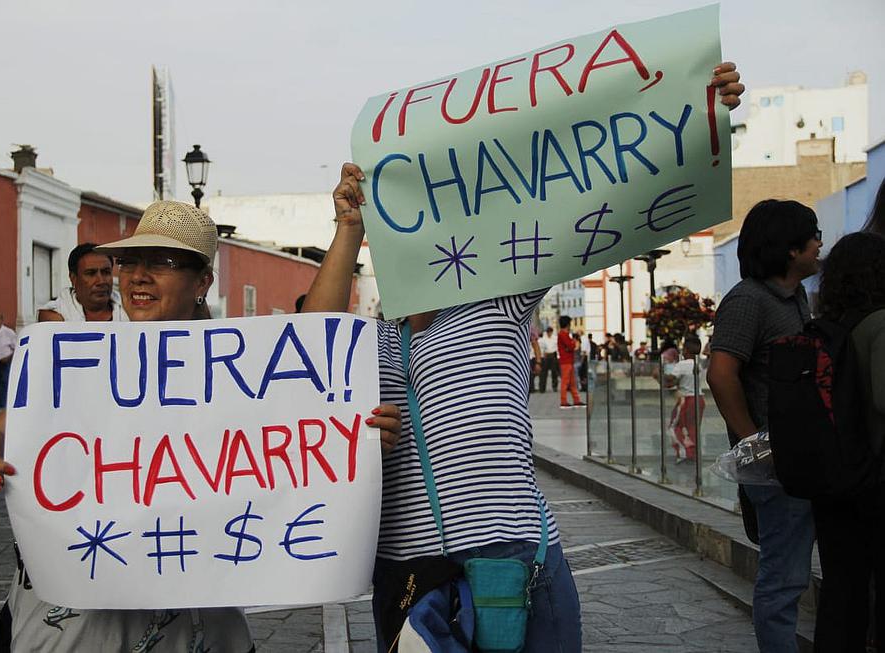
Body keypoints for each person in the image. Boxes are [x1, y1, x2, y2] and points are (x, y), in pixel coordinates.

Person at [309, 61, 742, 653]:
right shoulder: (367, 339)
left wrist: (696, 112)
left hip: (513, 553)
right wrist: (348, 227)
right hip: (408, 572)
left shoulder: (501, 296)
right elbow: (313, 343)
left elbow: (608, 196)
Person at [0, 200, 402, 652]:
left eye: (164, 262)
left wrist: (355, 434)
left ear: (203, 282)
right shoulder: (80, 361)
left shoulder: (239, 365)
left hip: (197, 625)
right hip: (83, 626)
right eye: (130, 261)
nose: (138, 276)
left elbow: (312, 350)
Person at [707, 199, 822, 653]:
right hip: (776, 467)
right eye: (812, 235)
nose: (819, 243)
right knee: (783, 580)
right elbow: (720, 373)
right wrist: (756, 444)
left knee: (792, 576)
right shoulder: (747, 300)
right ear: (789, 248)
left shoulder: (796, 297)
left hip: (803, 458)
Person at [811, 231, 885, 651]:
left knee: (842, 586)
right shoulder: (880, 323)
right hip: (875, 475)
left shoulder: (830, 328)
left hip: (834, 473)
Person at [37, 243, 126, 322]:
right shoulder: (55, 315)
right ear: (73, 278)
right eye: (91, 273)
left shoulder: (128, 309)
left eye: (106, 272)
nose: (101, 281)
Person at [664, 336, 705, 462]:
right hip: (699, 398)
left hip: (686, 399)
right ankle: (693, 453)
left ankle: (684, 452)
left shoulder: (682, 365)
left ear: (686, 350)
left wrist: (660, 373)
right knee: (693, 427)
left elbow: (670, 379)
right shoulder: (699, 365)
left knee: (674, 426)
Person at [558, 316, 584, 409]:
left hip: (569, 361)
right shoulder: (563, 334)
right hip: (566, 361)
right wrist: (574, 342)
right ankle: (563, 401)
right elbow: (570, 346)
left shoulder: (565, 334)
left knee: (573, 383)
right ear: (567, 324)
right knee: (565, 382)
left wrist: (572, 343)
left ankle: (576, 400)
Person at [538, 326, 559, 392]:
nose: (549, 333)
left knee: (554, 372)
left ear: (552, 332)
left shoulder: (555, 338)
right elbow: (541, 348)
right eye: (548, 332)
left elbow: (557, 348)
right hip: (546, 356)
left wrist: (558, 357)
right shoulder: (543, 339)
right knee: (543, 373)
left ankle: (555, 386)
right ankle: (542, 388)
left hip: (553, 355)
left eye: (550, 332)